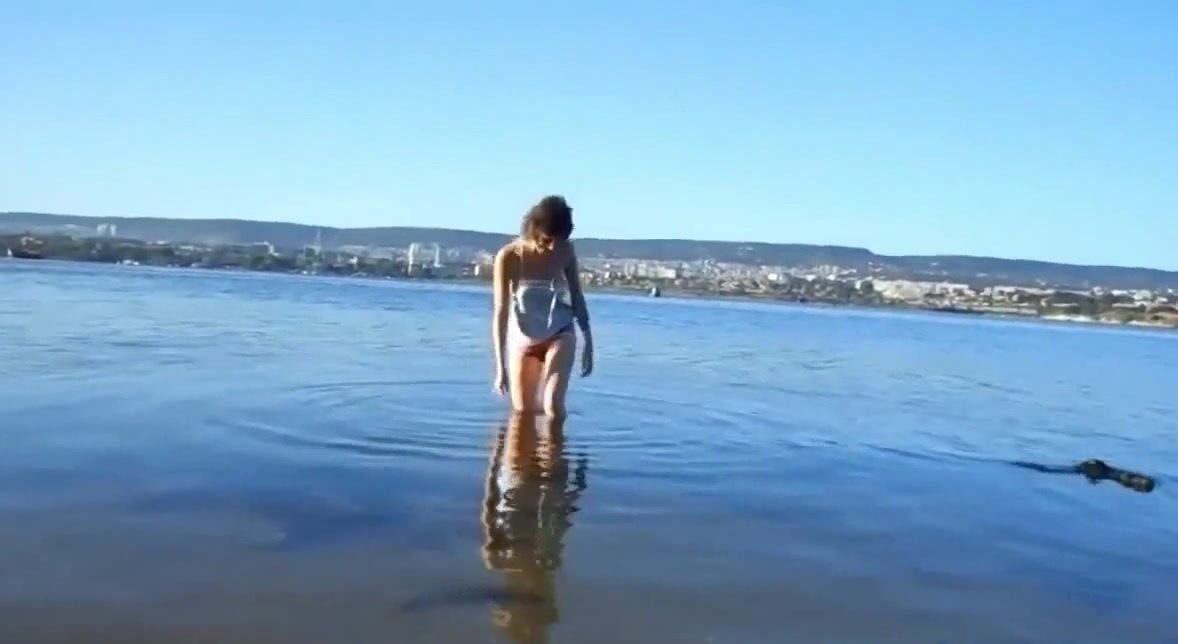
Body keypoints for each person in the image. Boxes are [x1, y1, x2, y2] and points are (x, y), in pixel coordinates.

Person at [492, 195, 593, 416]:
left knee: (553, 406)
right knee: (523, 412)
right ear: (534, 231)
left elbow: (577, 295)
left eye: (560, 240)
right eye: (548, 240)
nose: (553, 247)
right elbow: (501, 312)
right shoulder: (509, 257)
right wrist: (500, 367)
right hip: (524, 338)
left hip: (559, 332)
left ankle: (555, 436)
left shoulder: (566, 251)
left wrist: (588, 341)